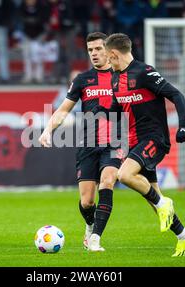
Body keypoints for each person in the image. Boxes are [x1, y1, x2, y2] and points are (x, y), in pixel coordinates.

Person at [103, 33, 185, 257]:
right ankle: (184, 236)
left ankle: (165, 202)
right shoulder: (115, 79)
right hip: (135, 142)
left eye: (107, 56)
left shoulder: (144, 72)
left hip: (155, 139)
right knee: (153, 199)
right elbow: (117, 110)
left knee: (124, 176)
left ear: (114, 54)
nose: (107, 60)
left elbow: (176, 95)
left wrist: (183, 126)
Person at [39, 32, 121, 252]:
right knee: (87, 202)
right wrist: (48, 130)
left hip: (114, 143)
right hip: (87, 144)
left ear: (108, 49)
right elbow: (64, 109)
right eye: (90, 50)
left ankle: (95, 239)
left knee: (107, 181)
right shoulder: (82, 79)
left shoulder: (122, 76)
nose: (94, 54)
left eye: (98, 49)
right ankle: (89, 225)